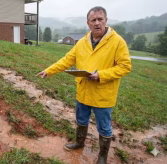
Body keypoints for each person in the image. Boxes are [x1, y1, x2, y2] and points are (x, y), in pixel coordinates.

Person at [36, 6, 131, 164]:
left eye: (100, 19)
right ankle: (79, 143)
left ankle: (102, 156)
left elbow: (125, 66)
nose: (97, 23)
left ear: (106, 21)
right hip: (83, 91)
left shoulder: (117, 42)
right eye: (93, 20)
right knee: (81, 120)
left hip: (103, 94)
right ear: (88, 23)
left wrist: (101, 75)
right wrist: (49, 70)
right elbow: (67, 60)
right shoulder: (82, 42)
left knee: (104, 127)